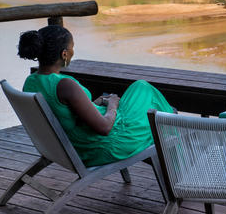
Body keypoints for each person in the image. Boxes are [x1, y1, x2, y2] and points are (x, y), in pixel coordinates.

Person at [18, 25, 175, 167]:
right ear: (64, 54)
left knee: (140, 88)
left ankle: (169, 128)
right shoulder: (65, 85)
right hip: (103, 144)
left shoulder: (31, 82)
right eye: (72, 47)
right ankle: (177, 162)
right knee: (150, 97)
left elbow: (65, 114)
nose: (73, 51)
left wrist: (95, 103)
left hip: (75, 143)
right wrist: (112, 104)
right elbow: (104, 128)